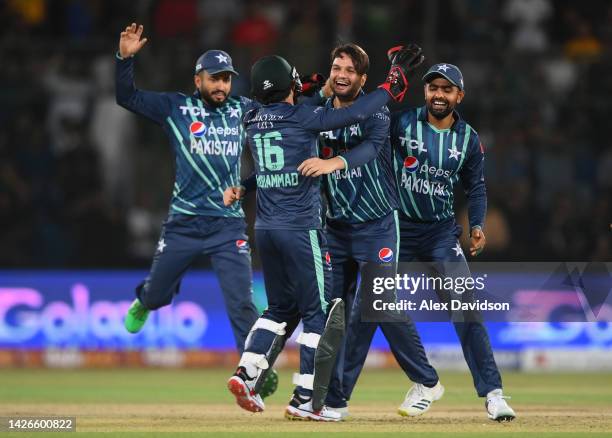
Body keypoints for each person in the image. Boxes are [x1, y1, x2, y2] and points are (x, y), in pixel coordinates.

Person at [223, 48, 420, 421]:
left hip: (264, 229)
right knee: (318, 314)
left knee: (278, 309)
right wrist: (392, 87)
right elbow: (355, 113)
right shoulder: (305, 116)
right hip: (302, 231)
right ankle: (307, 397)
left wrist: (244, 186)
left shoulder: (252, 117)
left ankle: (247, 373)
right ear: (289, 86)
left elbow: (294, 101)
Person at [296, 43, 444, 419]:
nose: (341, 74)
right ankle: (328, 400)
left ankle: (427, 381)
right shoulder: (318, 112)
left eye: (350, 70)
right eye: (336, 67)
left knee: (376, 305)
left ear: (363, 80)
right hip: (337, 229)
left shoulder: (376, 110)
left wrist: (335, 164)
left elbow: (369, 150)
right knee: (333, 313)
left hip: (378, 225)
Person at [115, 22, 262, 373]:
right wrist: (124, 59)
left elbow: (284, 121)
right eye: (214, 79)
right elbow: (127, 97)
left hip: (228, 225)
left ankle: (253, 370)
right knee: (157, 295)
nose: (221, 86)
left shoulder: (245, 110)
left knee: (242, 303)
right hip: (184, 223)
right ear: (198, 80)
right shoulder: (175, 108)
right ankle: (144, 300)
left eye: (226, 79)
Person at [390, 62, 516, 422]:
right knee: (373, 302)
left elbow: (475, 187)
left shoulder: (469, 139)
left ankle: (493, 394)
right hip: (396, 228)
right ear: (425, 91)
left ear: (460, 95)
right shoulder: (402, 123)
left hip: (440, 233)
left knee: (466, 307)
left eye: (447, 89)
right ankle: (423, 382)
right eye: (433, 88)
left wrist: (476, 224)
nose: (439, 95)